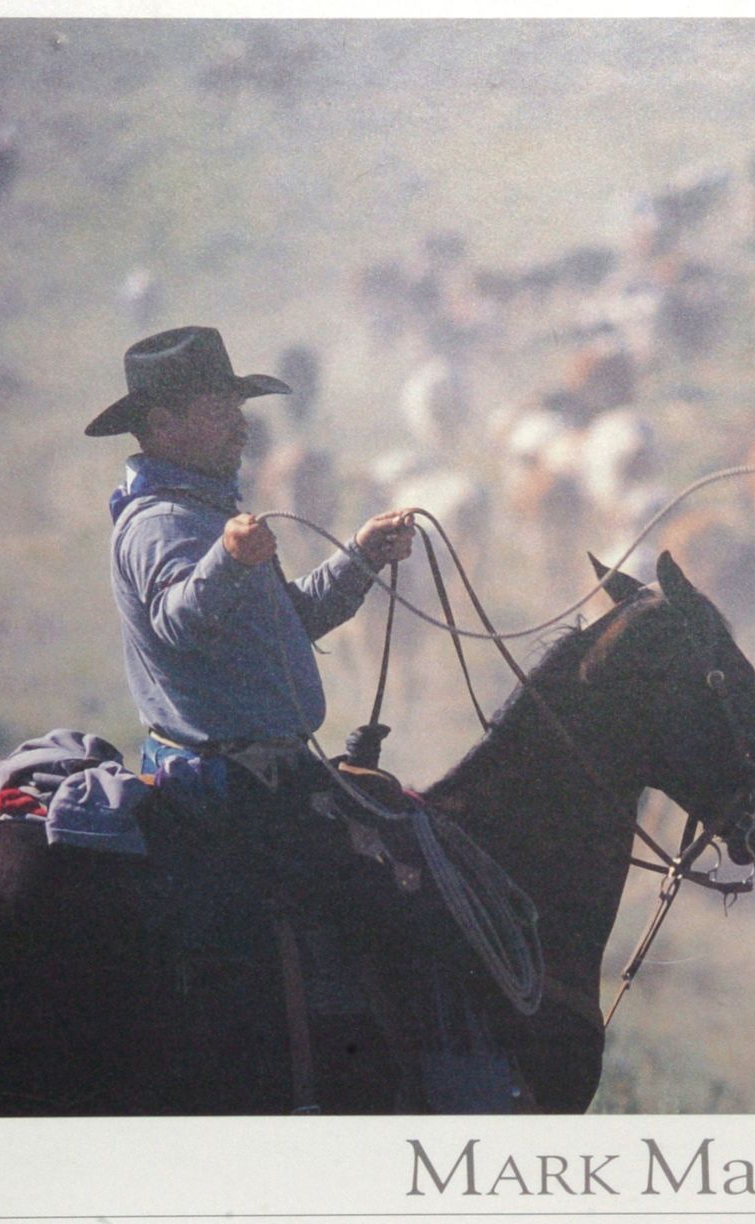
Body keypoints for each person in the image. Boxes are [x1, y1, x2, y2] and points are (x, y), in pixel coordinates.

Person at [88, 324, 445, 1110]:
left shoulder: (209, 511)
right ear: (163, 426)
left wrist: (360, 557)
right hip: (223, 783)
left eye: (237, 405)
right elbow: (180, 619)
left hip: (265, 769)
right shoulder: (159, 524)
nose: (241, 422)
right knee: (390, 891)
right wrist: (228, 559)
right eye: (221, 408)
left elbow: (294, 618)